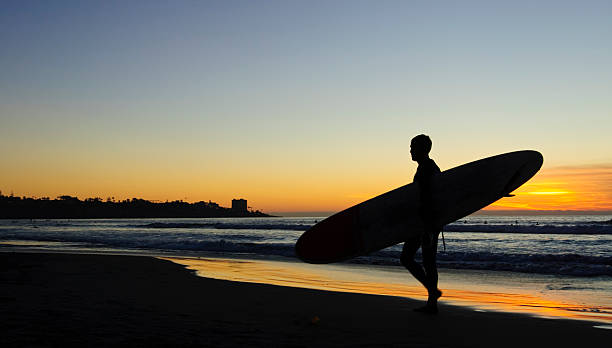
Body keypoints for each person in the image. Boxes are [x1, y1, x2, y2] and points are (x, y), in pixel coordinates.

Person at [400, 134, 442, 314]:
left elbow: (429, 199)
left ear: (422, 149)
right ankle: (432, 298)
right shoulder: (426, 167)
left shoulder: (427, 169)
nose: (410, 150)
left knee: (419, 259)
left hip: (427, 223)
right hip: (425, 222)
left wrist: (428, 228)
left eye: (412, 147)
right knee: (425, 261)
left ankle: (432, 299)